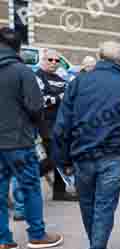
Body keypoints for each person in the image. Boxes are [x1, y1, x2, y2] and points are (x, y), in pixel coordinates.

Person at [53, 41, 120, 249]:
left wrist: (63, 159)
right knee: (103, 206)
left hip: (83, 155)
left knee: (89, 204)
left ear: (99, 56)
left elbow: (62, 125)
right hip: (112, 155)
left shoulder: (78, 83)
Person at [0, 27, 64, 249]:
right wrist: (46, 137)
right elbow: (36, 107)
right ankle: (37, 235)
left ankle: (3, 240)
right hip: (18, 142)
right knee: (30, 187)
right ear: (18, 47)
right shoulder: (22, 72)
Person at [35, 48, 71, 201]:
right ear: (43, 60)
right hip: (44, 125)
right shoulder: (37, 76)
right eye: (50, 60)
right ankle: (25, 180)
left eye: (57, 60)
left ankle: (60, 191)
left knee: (61, 157)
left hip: (61, 124)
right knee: (51, 159)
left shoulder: (61, 79)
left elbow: (69, 99)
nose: (54, 63)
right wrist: (59, 97)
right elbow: (40, 101)